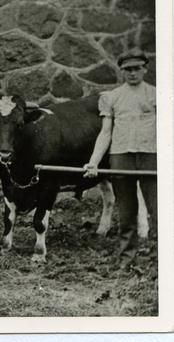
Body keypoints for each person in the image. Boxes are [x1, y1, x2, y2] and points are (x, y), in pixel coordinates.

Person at [84, 49, 157, 273]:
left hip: (150, 157)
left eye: (137, 69)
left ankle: (159, 259)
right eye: (127, 70)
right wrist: (94, 161)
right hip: (121, 157)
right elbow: (105, 133)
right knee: (126, 213)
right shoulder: (112, 97)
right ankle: (127, 260)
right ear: (122, 71)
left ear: (145, 69)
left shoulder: (157, 95)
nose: (132, 73)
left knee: (159, 211)